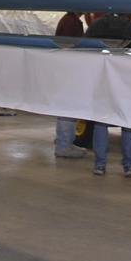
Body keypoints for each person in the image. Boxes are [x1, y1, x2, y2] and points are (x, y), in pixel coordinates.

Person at [84, 12, 131, 177]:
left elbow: (82, 48)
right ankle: (128, 165)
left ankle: (100, 164)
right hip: (126, 84)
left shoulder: (96, 26)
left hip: (102, 82)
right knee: (127, 125)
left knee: (100, 124)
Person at [53, 12, 86, 158]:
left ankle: (64, 142)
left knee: (66, 109)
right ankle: (64, 145)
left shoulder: (71, 20)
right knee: (68, 108)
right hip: (69, 68)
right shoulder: (70, 22)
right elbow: (68, 45)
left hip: (65, 67)